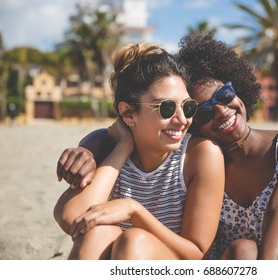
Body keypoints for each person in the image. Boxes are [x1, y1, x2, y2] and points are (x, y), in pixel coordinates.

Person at [57, 34, 278, 260]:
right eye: (204, 110)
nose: (220, 111)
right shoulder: (114, 142)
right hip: (240, 255)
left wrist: (134, 211)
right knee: (242, 250)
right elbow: (72, 217)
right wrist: (112, 145)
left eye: (224, 95)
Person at [54, 42, 225, 260]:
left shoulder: (200, 154)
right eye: (167, 108)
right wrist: (124, 145)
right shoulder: (110, 145)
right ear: (128, 114)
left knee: (135, 240)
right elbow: (72, 216)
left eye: (188, 106)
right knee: (96, 233)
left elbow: (197, 254)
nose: (182, 120)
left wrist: (134, 211)